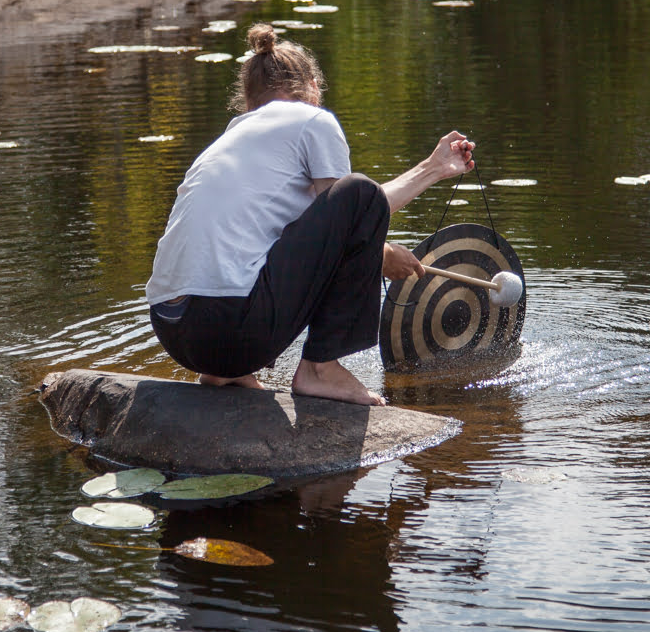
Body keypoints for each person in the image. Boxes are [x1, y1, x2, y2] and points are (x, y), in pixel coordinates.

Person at [145, 23, 476, 406]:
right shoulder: (312, 120)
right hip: (230, 330)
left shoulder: (232, 138)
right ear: (311, 88)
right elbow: (356, 207)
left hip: (175, 333)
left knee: (353, 199)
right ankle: (320, 368)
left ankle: (225, 372)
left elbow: (334, 222)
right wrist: (383, 256)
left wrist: (432, 169)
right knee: (360, 188)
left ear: (250, 99)